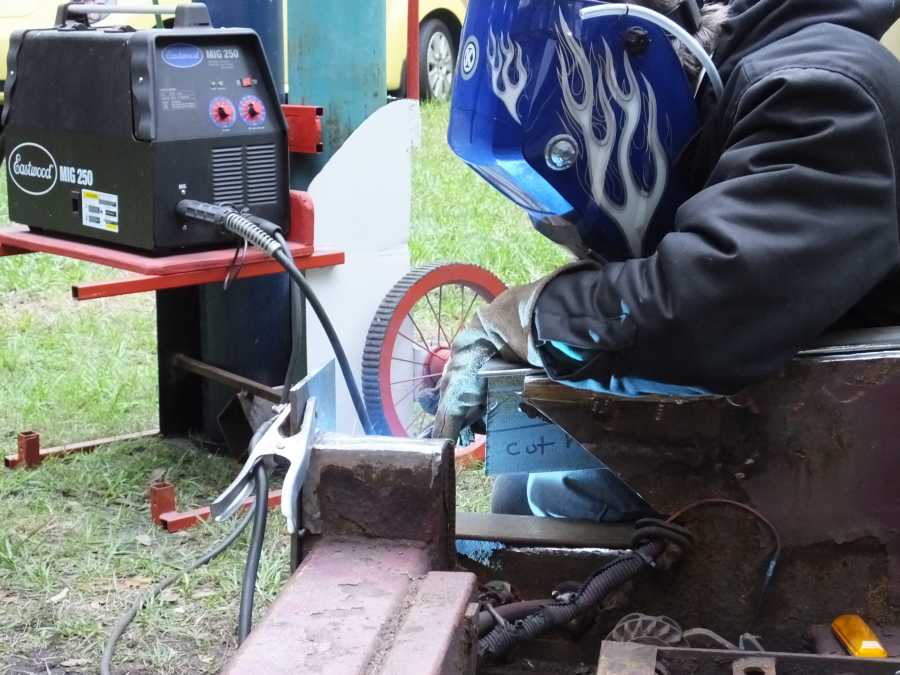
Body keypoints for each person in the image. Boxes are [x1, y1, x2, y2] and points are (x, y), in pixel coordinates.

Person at [433, 0, 900, 521]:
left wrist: (532, 316)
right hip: (794, 370)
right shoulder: (730, 81)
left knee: (562, 496)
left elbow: (710, 303)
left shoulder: (819, 93)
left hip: (859, 434)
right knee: (519, 493)